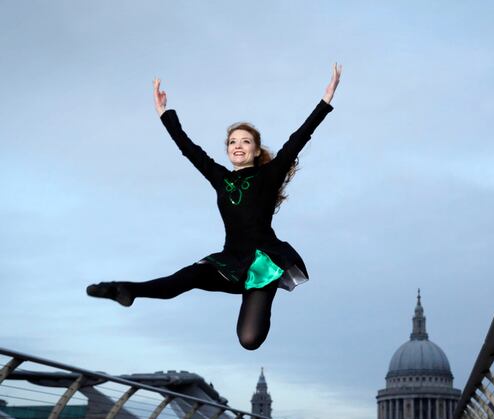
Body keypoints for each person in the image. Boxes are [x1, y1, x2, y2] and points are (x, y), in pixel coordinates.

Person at [87, 64, 342, 350]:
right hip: (229, 261)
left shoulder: (269, 175)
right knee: (186, 277)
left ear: (256, 151)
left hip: (261, 265)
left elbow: (298, 140)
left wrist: (325, 101)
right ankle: (125, 289)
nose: (238, 146)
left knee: (249, 339)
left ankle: (262, 299)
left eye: (245, 141)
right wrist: (164, 114)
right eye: (233, 142)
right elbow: (189, 150)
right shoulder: (221, 178)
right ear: (227, 149)